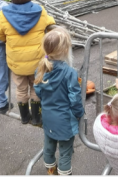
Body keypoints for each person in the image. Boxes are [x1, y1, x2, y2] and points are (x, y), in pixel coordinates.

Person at [0, 0, 55, 126]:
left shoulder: (3, 15)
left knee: (21, 89)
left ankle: (24, 117)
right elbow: (50, 23)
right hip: (37, 62)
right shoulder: (40, 11)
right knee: (36, 88)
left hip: (16, 62)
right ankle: (36, 118)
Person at [33, 29, 84, 175]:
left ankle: (50, 170)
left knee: (49, 145)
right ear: (65, 50)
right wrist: (79, 113)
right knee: (65, 152)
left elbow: (38, 89)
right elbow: (74, 98)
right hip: (64, 120)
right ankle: (64, 174)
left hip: (48, 116)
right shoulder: (70, 72)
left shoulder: (41, 68)